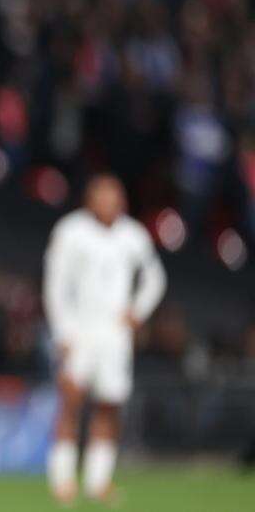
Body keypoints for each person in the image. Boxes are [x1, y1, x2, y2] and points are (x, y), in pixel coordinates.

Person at [43, 174, 166, 505]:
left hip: (115, 335)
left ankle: (98, 481)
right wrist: (62, 330)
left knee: (109, 405)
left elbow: (155, 278)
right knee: (71, 400)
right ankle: (63, 479)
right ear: (90, 199)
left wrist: (137, 312)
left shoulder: (133, 236)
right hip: (80, 330)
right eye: (104, 195)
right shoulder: (71, 231)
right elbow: (56, 284)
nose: (110, 202)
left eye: (115, 196)